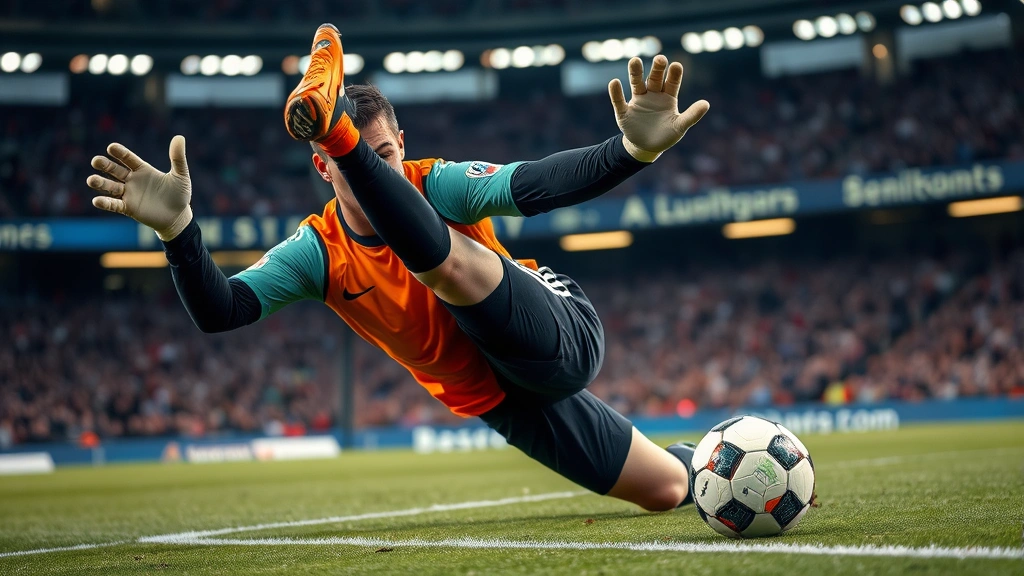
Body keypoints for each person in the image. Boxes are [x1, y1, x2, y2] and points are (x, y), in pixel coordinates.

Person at [86, 23, 709, 511]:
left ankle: (335, 123)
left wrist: (631, 151)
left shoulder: (438, 183)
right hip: (500, 399)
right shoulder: (319, 251)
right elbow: (221, 311)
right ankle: (716, 460)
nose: (378, 171)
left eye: (383, 154)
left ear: (399, 146)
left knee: (443, 265)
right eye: (357, 157)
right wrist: (178, 232)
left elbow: (541, 181)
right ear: (321, 169)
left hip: (554, 333)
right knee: (668, 491)